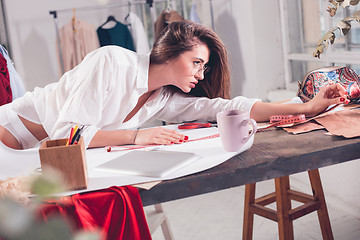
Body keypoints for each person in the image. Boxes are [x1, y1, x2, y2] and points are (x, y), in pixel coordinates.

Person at [0, 20, 349, 150]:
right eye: (196, 62)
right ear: (169, 52)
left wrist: (305, 107)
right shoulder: (111, 61)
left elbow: (226, 107)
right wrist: (137, 136)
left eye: (205, 66)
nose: (200, 73)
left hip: (43, 157)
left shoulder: (162, 98)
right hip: (9, 135)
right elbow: (67, 133)